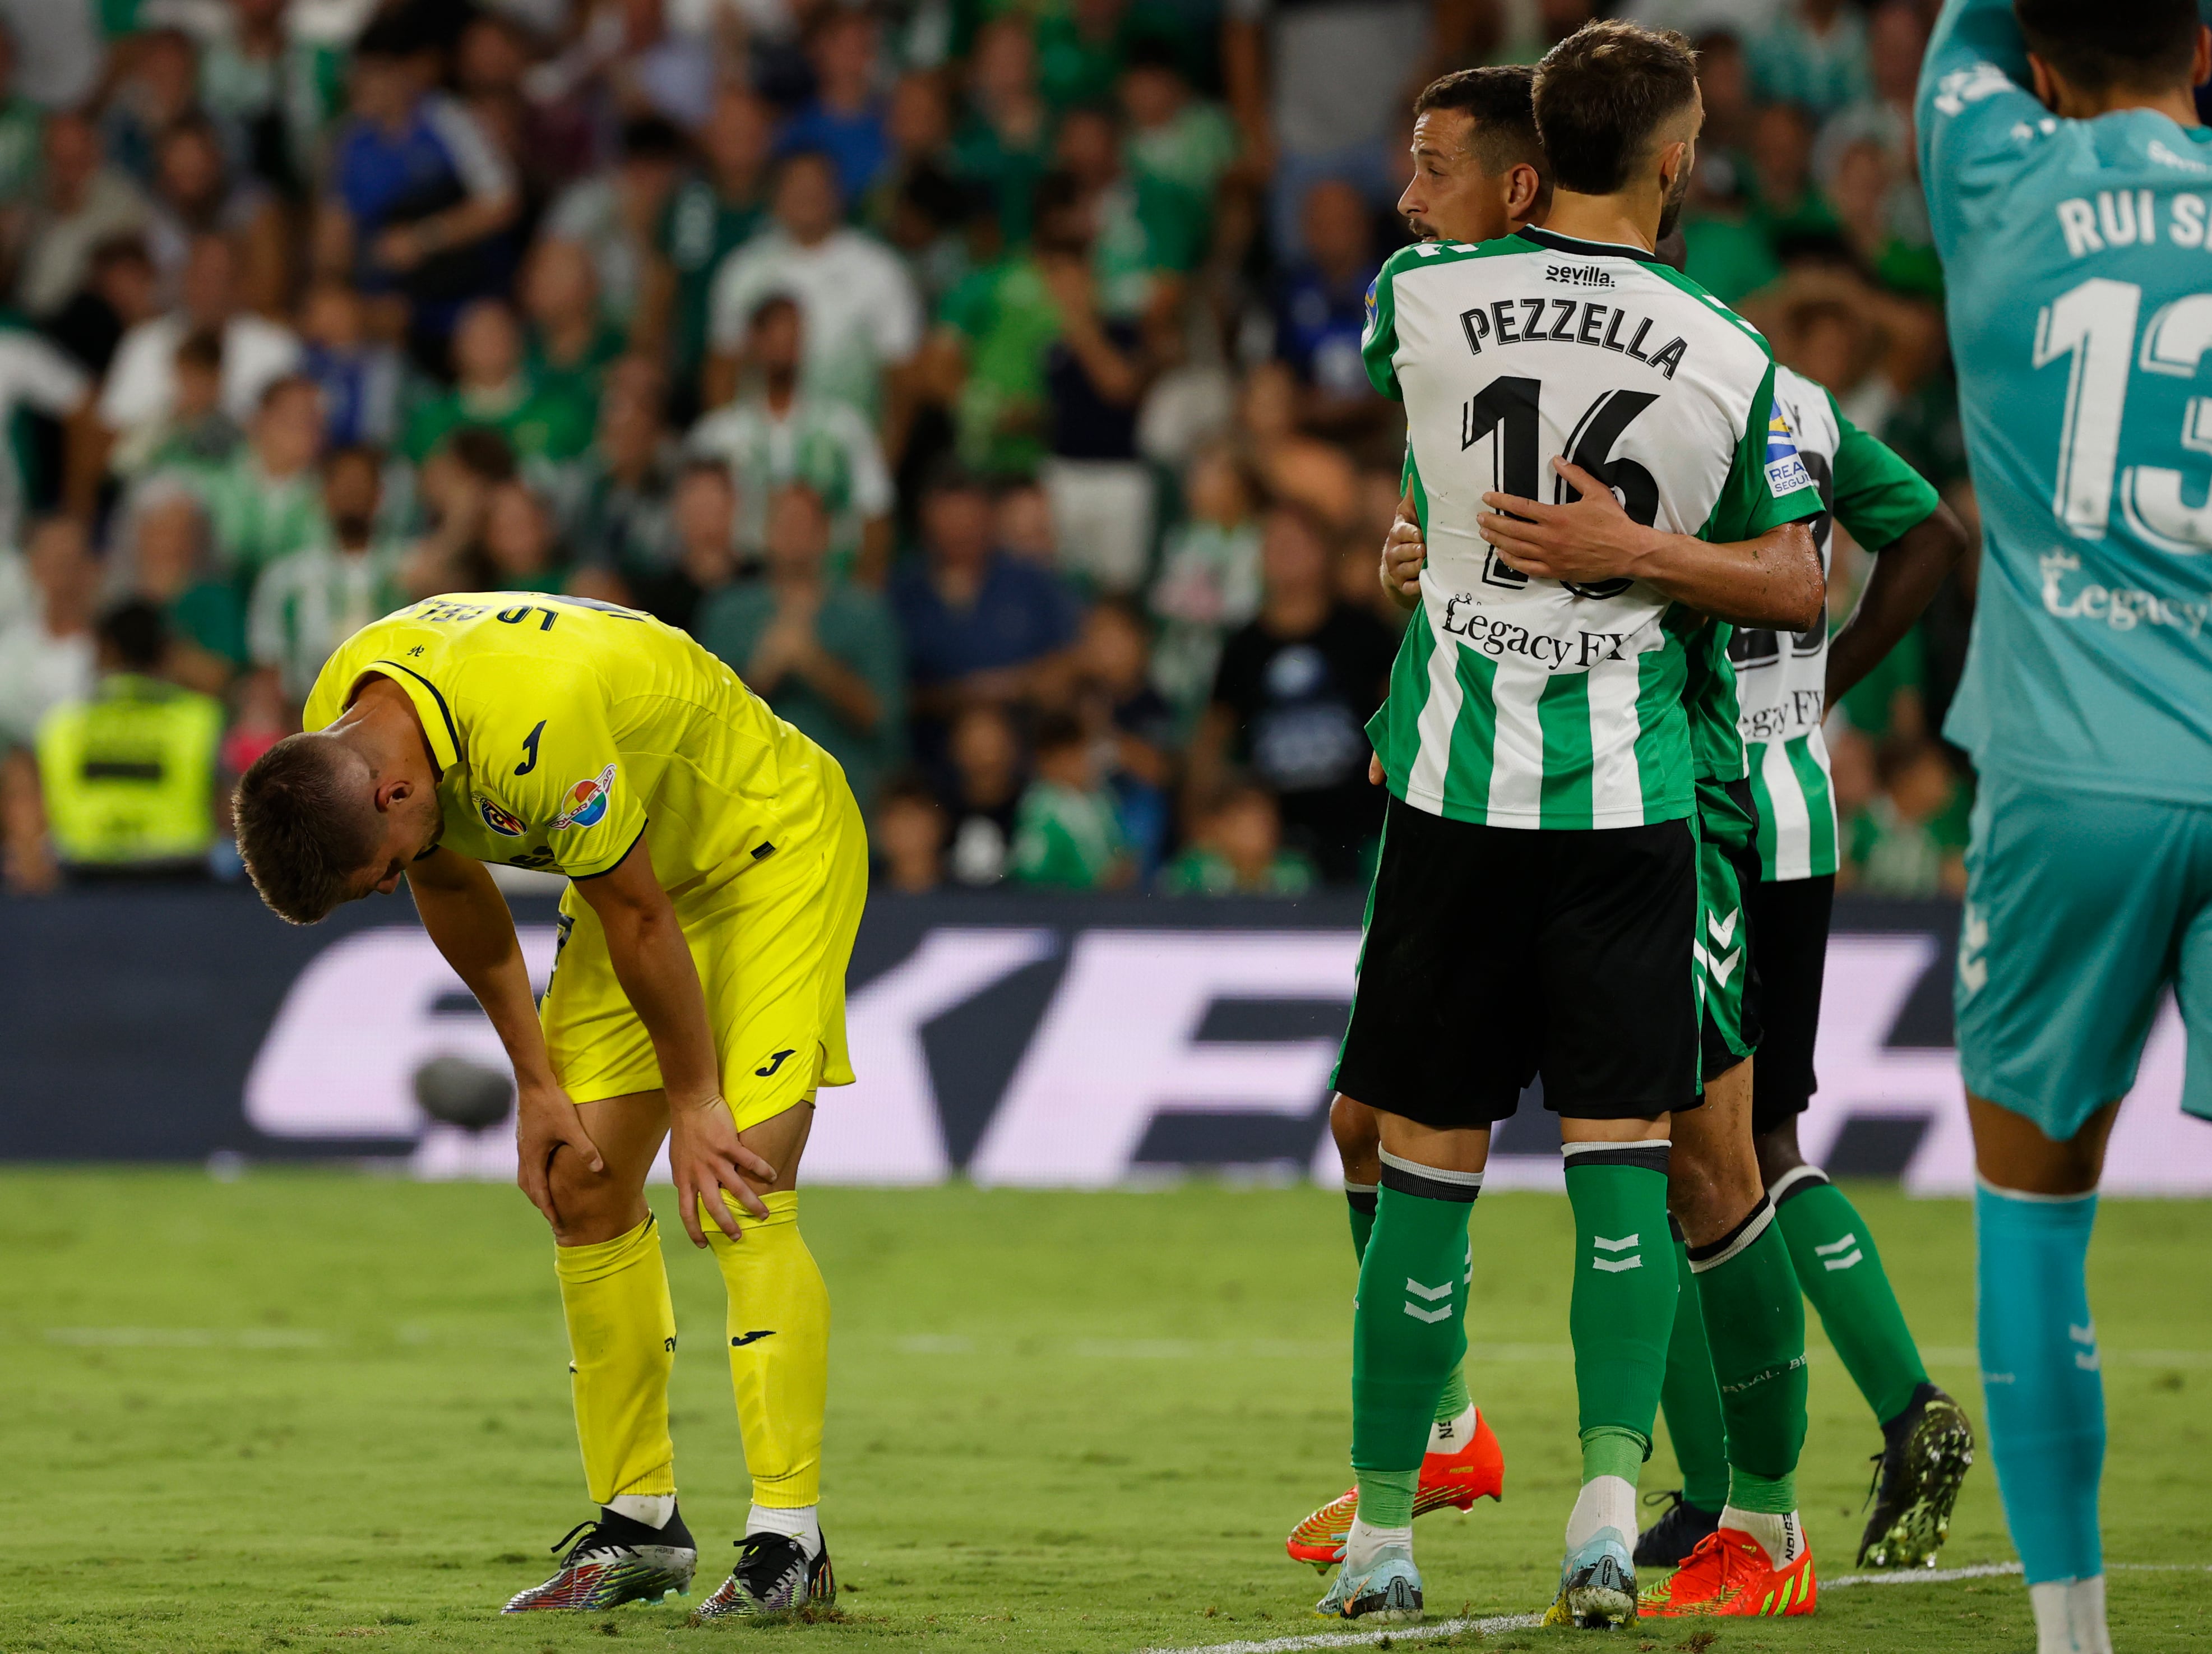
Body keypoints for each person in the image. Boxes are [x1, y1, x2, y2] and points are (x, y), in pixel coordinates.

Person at [1321, 33, 1826, 1627]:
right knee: (1626, 1171)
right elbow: (1803, 583)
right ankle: (1608, 1518)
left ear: (1534, 154)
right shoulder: (1735, 356)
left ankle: (1385, 1535)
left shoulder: (1413, 294)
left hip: (1456, 796)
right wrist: (1644, 549)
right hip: (1628, 803)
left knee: (1422, 1174)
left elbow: (1426, 431)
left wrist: (1430, 542)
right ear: (1676, 163)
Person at [231, 590, 868, 1622]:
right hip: (636, 870)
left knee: (739, 1178)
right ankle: (640, 1529)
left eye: (379, 871)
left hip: (766, 850)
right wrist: (534, 1081)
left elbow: (639, 914)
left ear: (394, 796)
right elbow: (449, 889)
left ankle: (791, 1542)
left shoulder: (534, 720)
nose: (392, 884)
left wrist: (696, 1100)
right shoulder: (341, 727)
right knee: (580, 1182)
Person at [1918, 4, 2212, 1648]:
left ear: (2034, 64)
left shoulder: (1994, 167)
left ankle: (2073, 1634)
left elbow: (1958, 34)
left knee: (2033, 1203)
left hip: (2067, 772)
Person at [1632, 358, 1976, 1574]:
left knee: (1666, 1147)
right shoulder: (1799, 399)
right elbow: (1929, 534)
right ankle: (1903, 1407)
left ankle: (1719, 1489)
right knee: (1760, 1140)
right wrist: (1823, 685)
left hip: (1699, 806)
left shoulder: (1642, 385)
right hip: (1800, 805)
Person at [1185, 500, 1394, 886]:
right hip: (1269, 846)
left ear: (1324, 553)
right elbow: (1211, 741)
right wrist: (1201, 821)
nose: (1286, 554)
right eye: (1275, 544)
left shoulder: (1364, 632)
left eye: (1297, 544)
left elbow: (1405, 719)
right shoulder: (1244, 648)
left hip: (1363, 831)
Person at [694, 484, 906, 815]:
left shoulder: (865, 612)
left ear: (826, 535)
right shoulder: (727, 612)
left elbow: (886, 720)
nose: (795, 536)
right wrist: (760, 677)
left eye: (806, 525)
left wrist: (814, 664)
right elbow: (704, 725)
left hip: (847, 799)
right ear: (766, 533)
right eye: (785, 523)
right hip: (752, 807)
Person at [686, 295, 895, 583]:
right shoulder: (718, 435)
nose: (783, 347)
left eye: (792, 335)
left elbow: (874, 512)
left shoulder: (845, 427)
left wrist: (862, 588)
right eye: (772, 336)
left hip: (830, 583)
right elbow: (695, 525)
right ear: (752, 343)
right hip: (741, 583)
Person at [702, 150, 922, 422]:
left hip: (849, 451)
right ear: (776, 195)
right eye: (797, 186)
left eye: (818, 186)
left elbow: (902, 376)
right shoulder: (743, 270)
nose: (808, 196)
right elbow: (723, 366)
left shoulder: (880, 269)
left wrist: (883, 459)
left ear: (838, 194)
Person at [34, 599, 223, 877]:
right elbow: (228, 809)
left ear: (105, 650)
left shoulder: (60, 724)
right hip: (179, 884)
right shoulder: (203, 719)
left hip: (81, 884)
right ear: (164, 652)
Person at [249, 445, 405, 709]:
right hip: (302, 717)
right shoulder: (286, 578)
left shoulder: (409, 572)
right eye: (343, 486)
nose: (352, 495)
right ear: (324, 496)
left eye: (360, 486)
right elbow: (268, 666)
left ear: (379, 495)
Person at [1008, 709, 1130, 890]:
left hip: (1102, 903)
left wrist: (1122, 867)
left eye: (1085, 753)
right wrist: (1088, 881)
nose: (1084, 763)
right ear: (1047, 761)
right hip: (1060, 906)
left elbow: (1118, 849)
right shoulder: (1041, 806)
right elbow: (1031, 869)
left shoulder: (1101, 801)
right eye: (1072, 757)